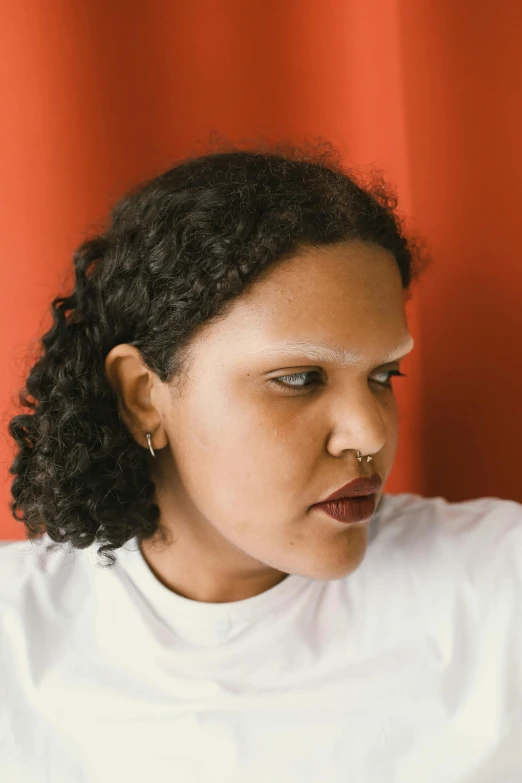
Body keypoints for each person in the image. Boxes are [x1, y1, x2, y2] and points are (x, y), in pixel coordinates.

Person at [1, 143, 520, 783]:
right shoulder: (15, 638)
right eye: (299, 378)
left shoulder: (499, 588)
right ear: (144, 396)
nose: (368, 431)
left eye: (385, 375)